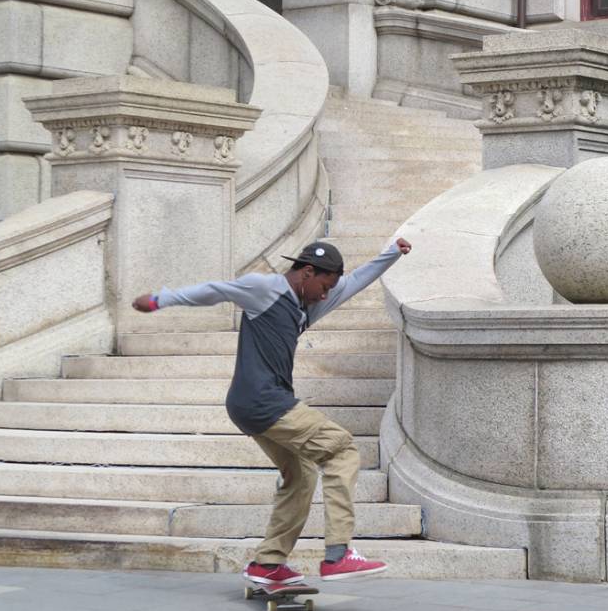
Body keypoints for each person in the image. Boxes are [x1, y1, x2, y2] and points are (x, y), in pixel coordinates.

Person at [132, 236, 411, 586]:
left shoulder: (307, 304)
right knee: (341, 449)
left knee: (302, 473)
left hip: (252, 404)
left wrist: (391, 255)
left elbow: (355, 282)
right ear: (306, 272)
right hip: (263, 400)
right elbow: (216, 290)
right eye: (323, 286)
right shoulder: (263, 289)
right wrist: (160, 300)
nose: (325, 296)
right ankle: (338, 554)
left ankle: (268, 563)